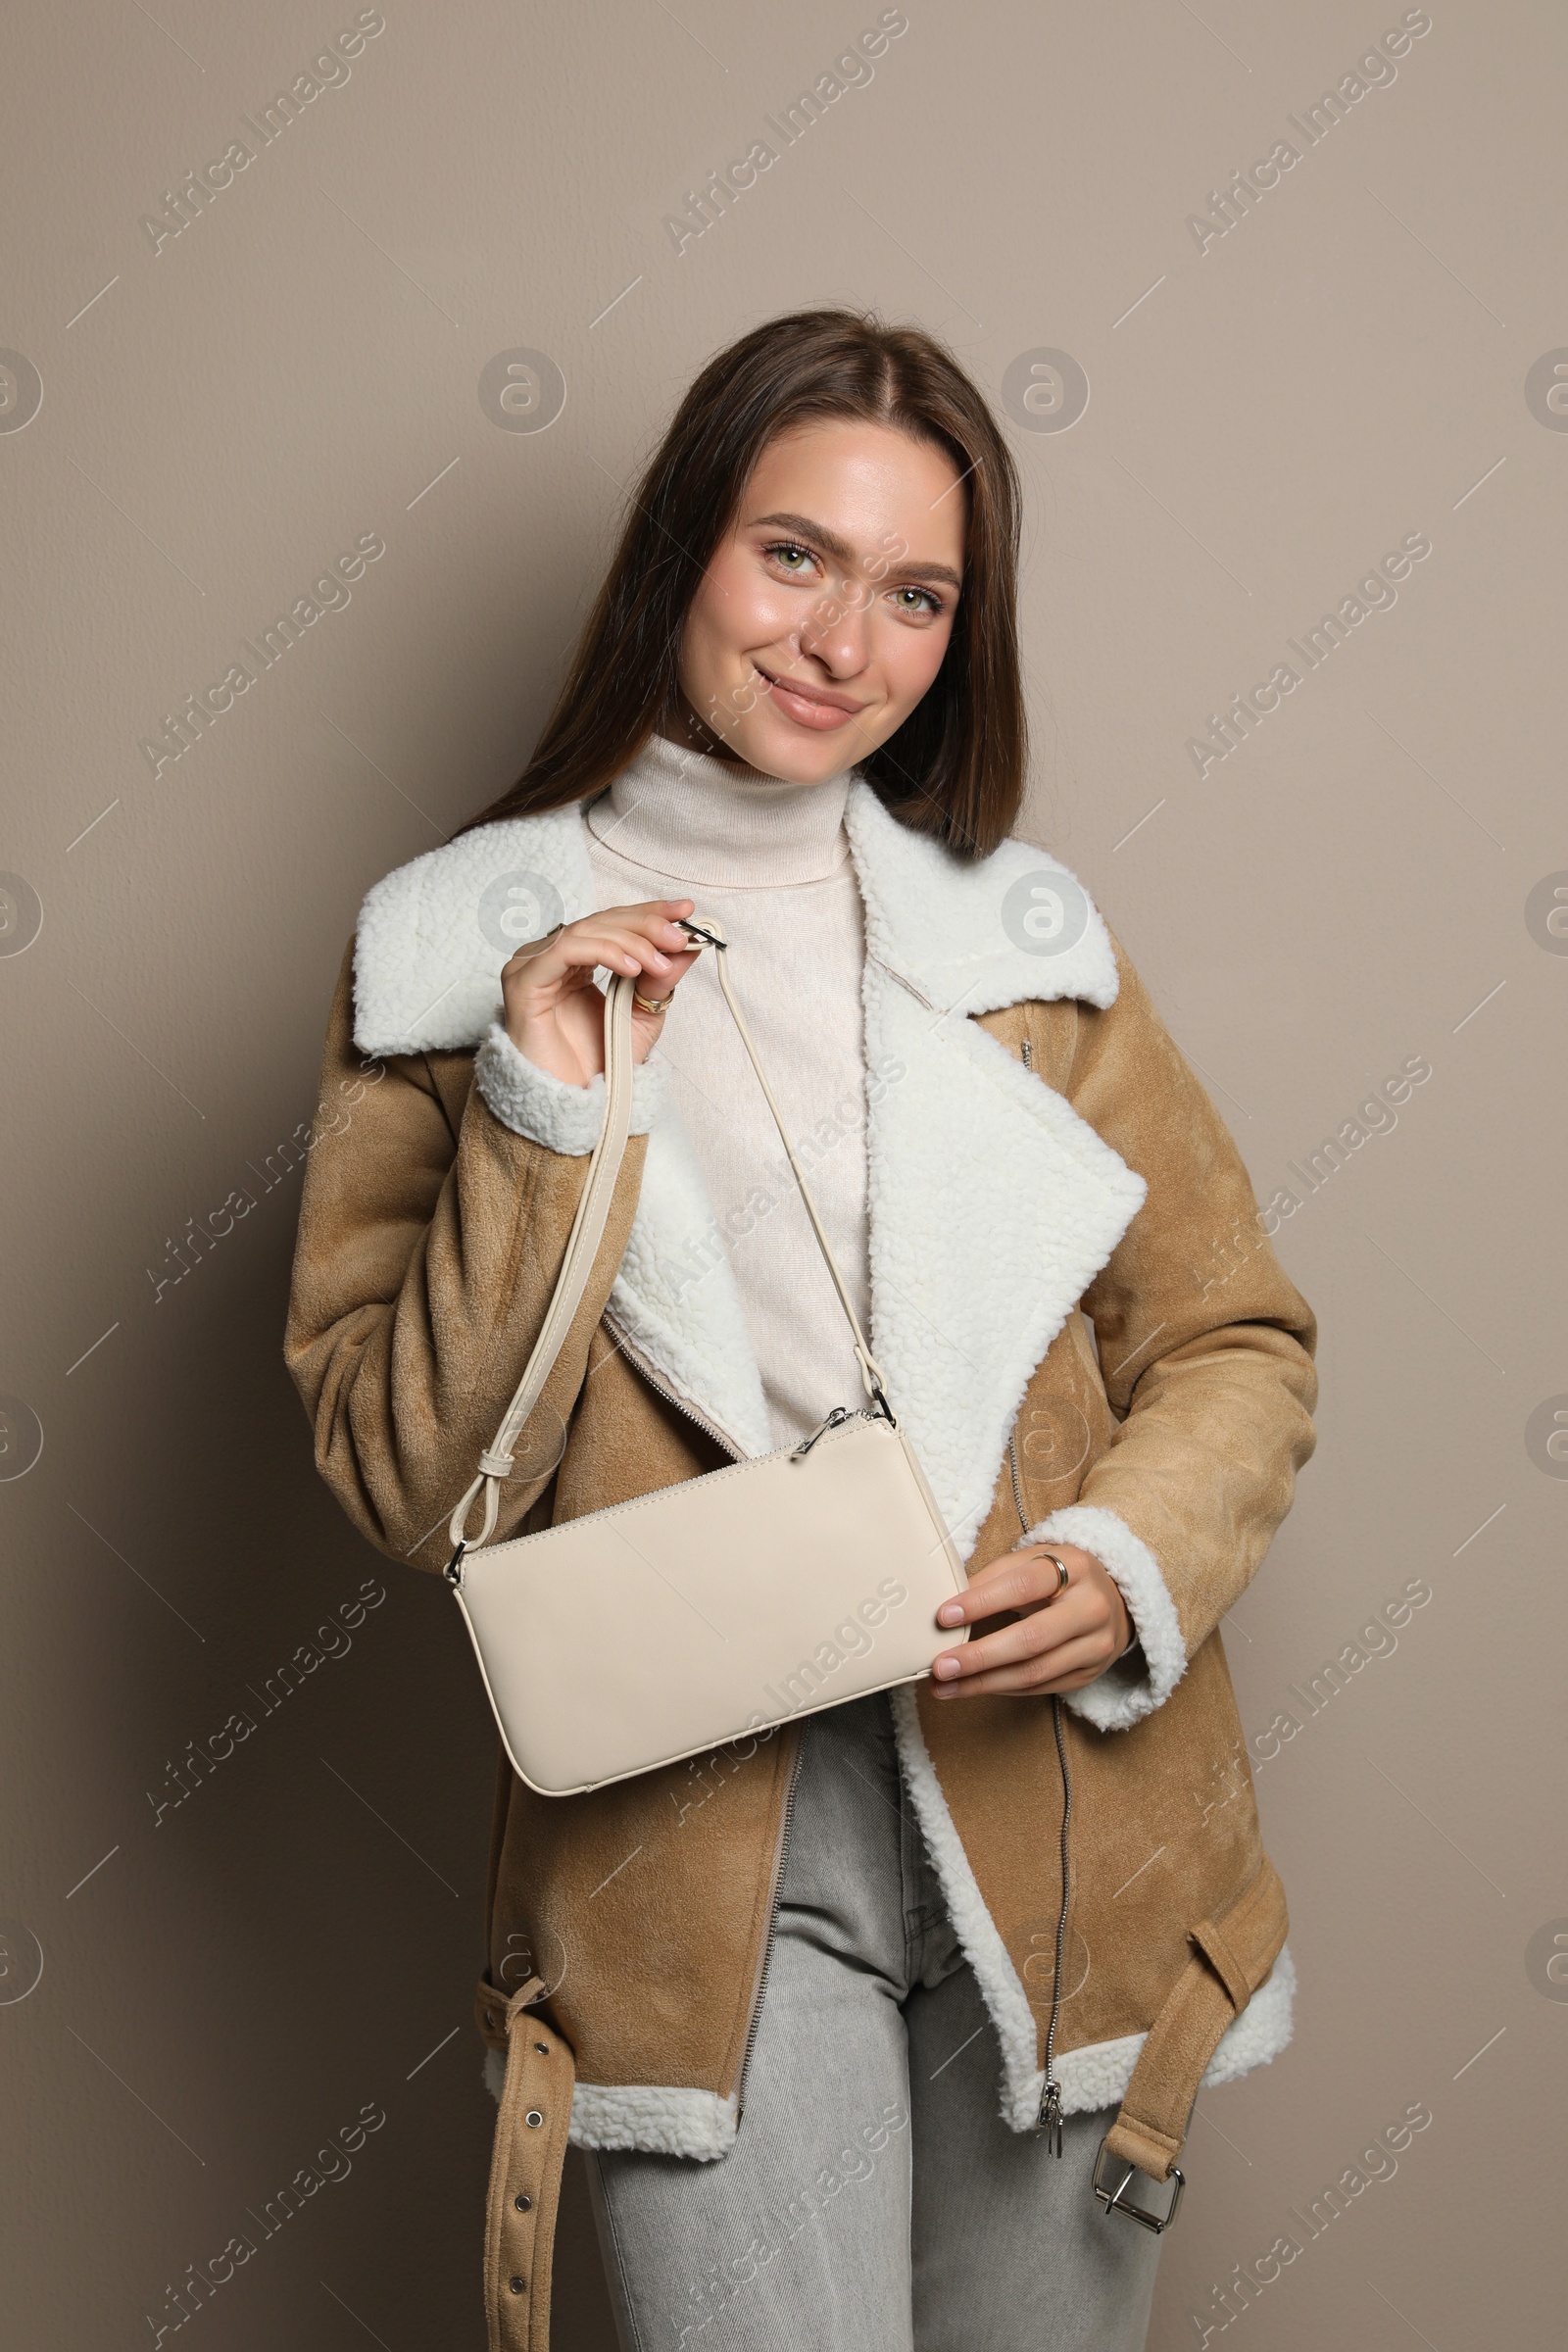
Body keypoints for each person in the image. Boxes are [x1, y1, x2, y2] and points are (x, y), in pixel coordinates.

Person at [285, 307, 1318, 2351]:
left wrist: (1123, 1565)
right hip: (690, 1852)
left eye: (915, 593)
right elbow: (403, 1485)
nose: (844, 641)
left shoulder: (1019, 946)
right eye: (792, 556)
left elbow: (1233, 1341)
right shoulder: (449, 956)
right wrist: (535, 1100)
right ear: (682, 546)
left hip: (1065, 1823)